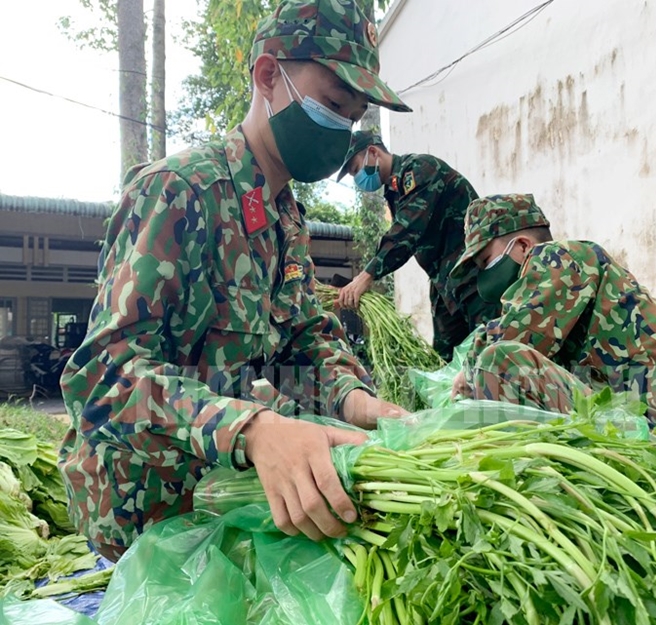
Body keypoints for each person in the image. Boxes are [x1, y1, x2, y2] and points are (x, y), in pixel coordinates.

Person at [59, 0, 412, 561]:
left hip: (227, 504)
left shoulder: (284, 216)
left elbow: (303, 338)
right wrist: (252, 429)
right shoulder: (178, 191)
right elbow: (106, 374)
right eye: (332, 104)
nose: (344, 129)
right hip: (145, 520)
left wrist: (355, 400)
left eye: (354, 117)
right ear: (269, 76)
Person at [449, 194, 656, 461]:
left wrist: (469, 370)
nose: (483, 274)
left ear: (523, 245)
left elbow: (512, 338)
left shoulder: (558, 257)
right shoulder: (567, 306)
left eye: (486, 260)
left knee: (499, 361)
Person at [335, 132, 500, 361]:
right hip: (445, 283)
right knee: (448, 360)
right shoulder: (395, 190)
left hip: (472, 276)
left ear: (373, 152)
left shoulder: (420, 169)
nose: (358, 179)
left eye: (356, 170)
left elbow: (406, 231)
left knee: (489, 355)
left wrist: (365, 277)